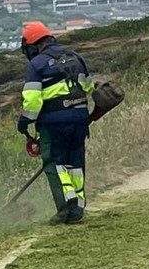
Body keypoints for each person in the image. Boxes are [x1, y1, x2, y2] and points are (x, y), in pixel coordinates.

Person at [17, 22, 94, 224]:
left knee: (54, 163)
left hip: (54, 123)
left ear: (32, 45)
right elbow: (88, 86)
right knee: (75, 163)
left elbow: (33, 100)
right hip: (80, 119)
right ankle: (77, 208)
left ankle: (64, 210)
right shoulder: (75, 57)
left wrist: (24, 122)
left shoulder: (37, 64)